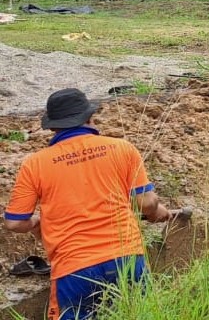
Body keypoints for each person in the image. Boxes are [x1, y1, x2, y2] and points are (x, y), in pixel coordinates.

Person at [3, 88, 183, 320]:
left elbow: (15, 223)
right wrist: (158, 212)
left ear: (53, 127)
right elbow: (146, 203)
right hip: (127, 260)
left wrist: (38, 222)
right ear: (89, 118)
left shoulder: (34, 164)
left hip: (74, 270)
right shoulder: (122, 148)